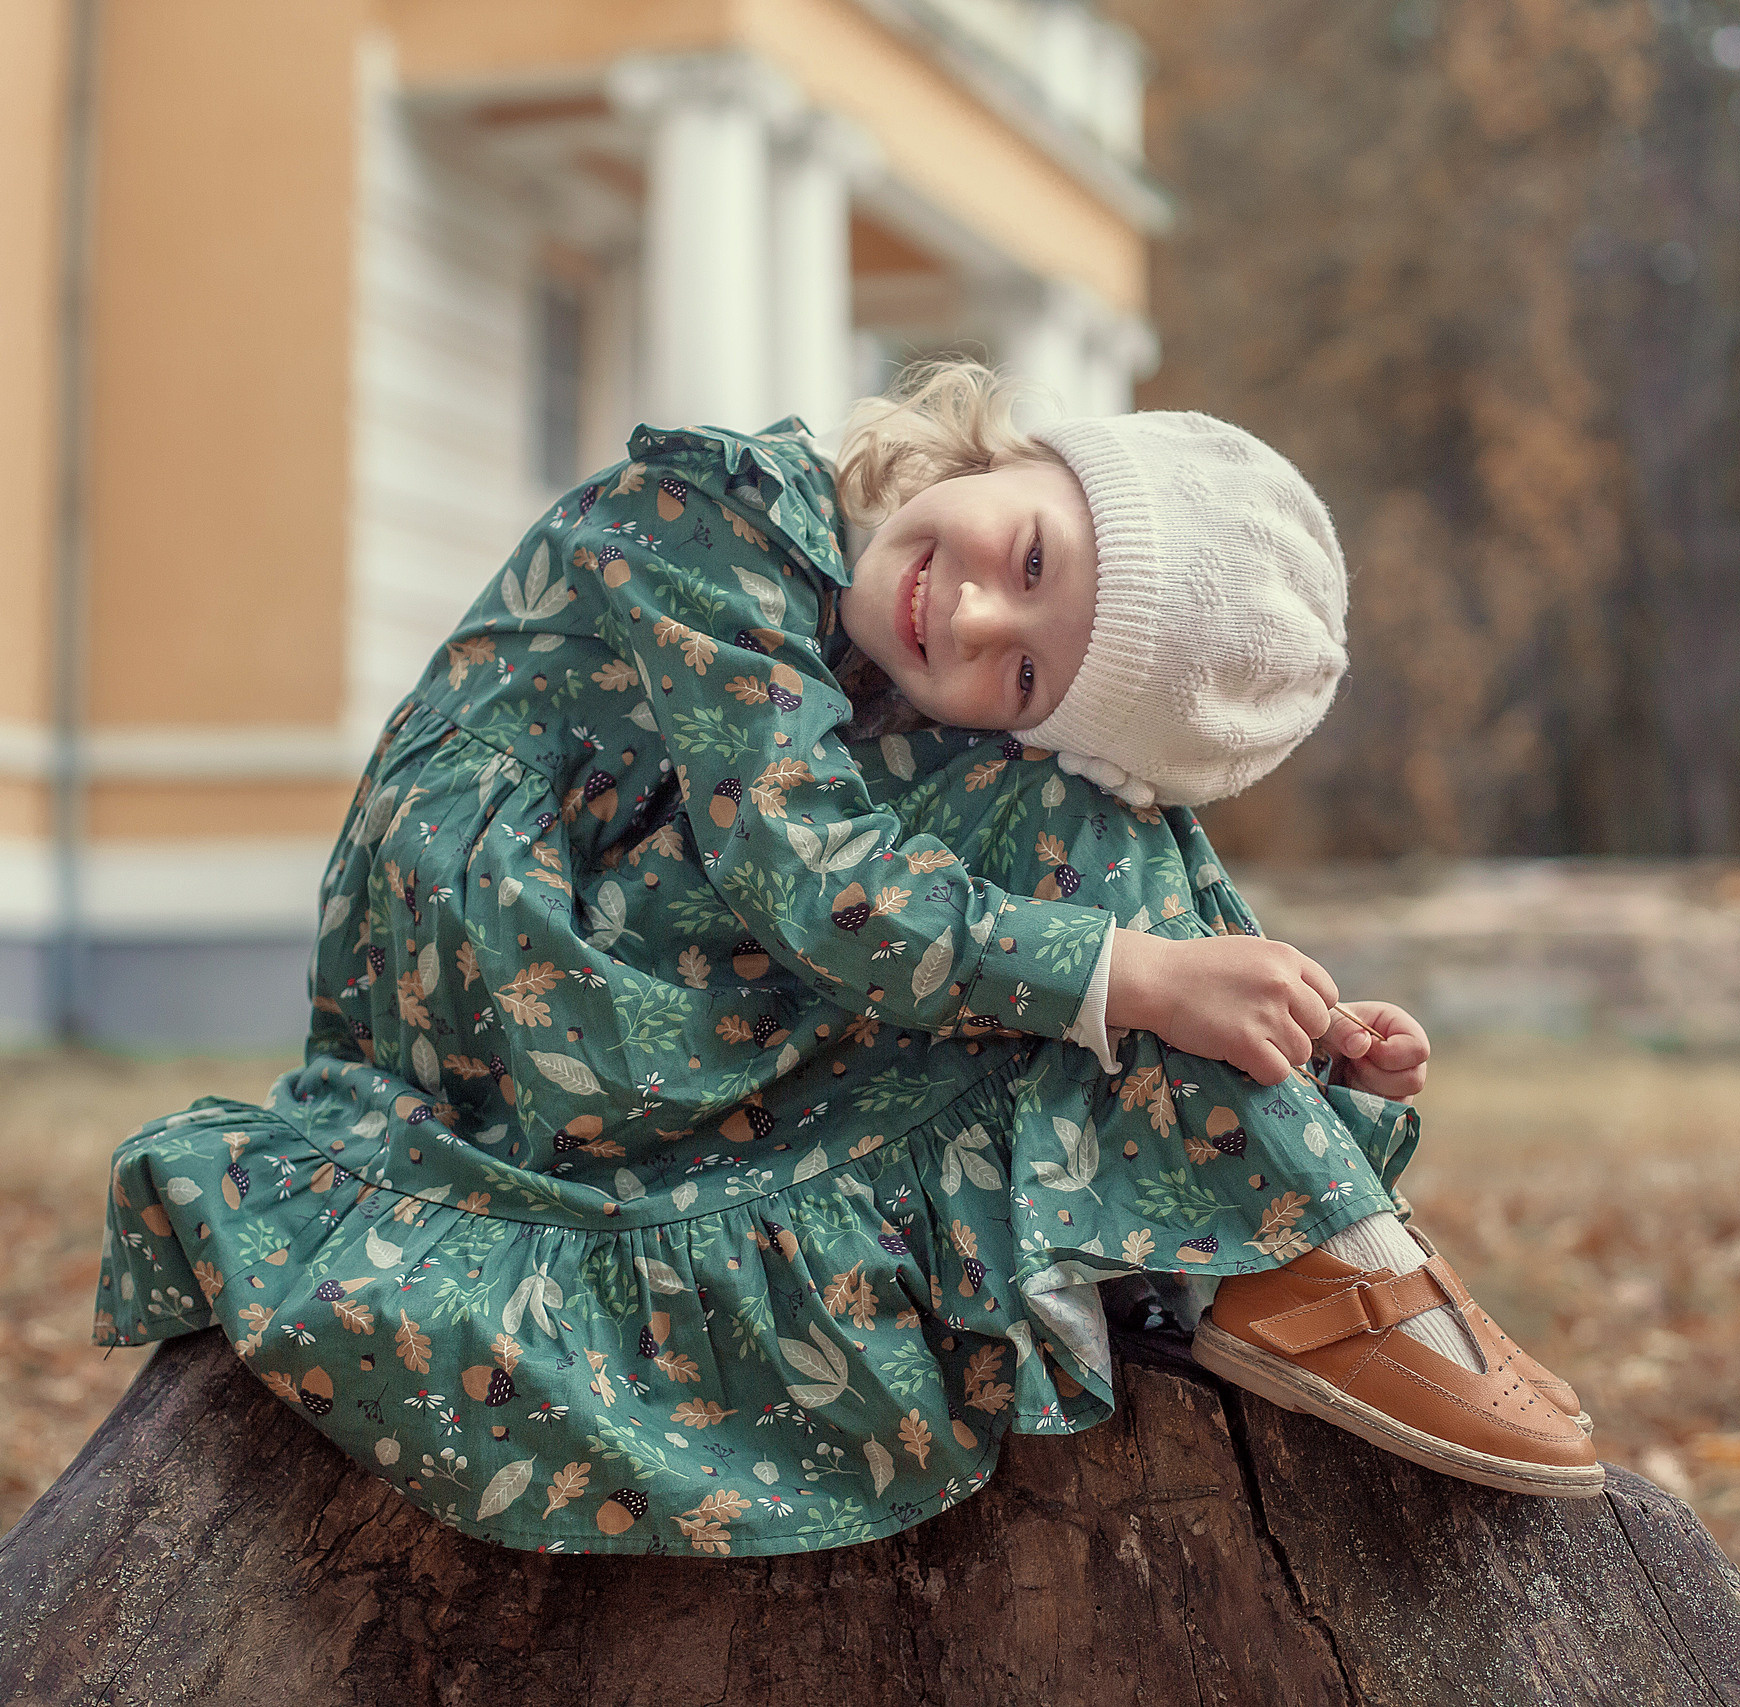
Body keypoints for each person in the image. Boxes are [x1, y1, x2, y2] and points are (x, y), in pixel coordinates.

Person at [94, 362, 1597, 1559]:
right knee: (1058, 847)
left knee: (1072, 814)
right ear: (1021, 453)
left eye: (1028, 667)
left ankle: (1294, 1144)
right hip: (508, 979)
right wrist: (1139, 980)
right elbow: (821, 886)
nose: (979, 611)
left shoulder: (904, 680)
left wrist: (1266, 1009)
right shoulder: (711, 513)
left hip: (658, 951)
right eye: (1027, 551)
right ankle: (1319, 1256)